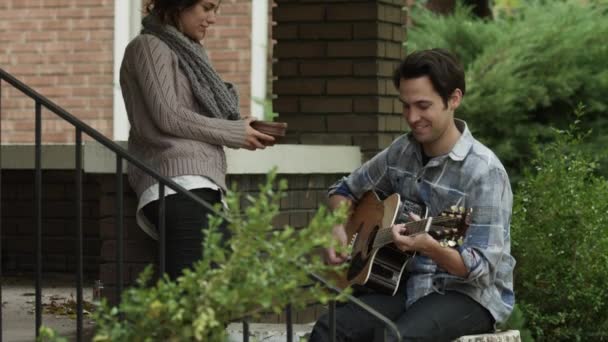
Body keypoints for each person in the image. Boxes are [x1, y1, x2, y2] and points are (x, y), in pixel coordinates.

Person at [310, 49, 515, 342]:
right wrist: (338, 227)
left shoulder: (484, 173)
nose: (412, 117)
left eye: (422, 106)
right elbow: (343, 190)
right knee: (330, 328)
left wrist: (431, 247)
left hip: (467, 294)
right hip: (401, 282)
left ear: (454, 99)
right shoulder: (401, 151)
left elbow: (480, 268)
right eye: (405, 106)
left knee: (396, 338)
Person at [119, 0, 274, 279]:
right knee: (193, 297)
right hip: (176, 185)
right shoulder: (150, 47)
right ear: (178, 4)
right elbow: (168, 115)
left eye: (216, 9)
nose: (212, 19)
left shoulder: (188, 52)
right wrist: (234, 132)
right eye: (206, 7)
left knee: (209, 295)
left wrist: (238, 126)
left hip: (200, 185)